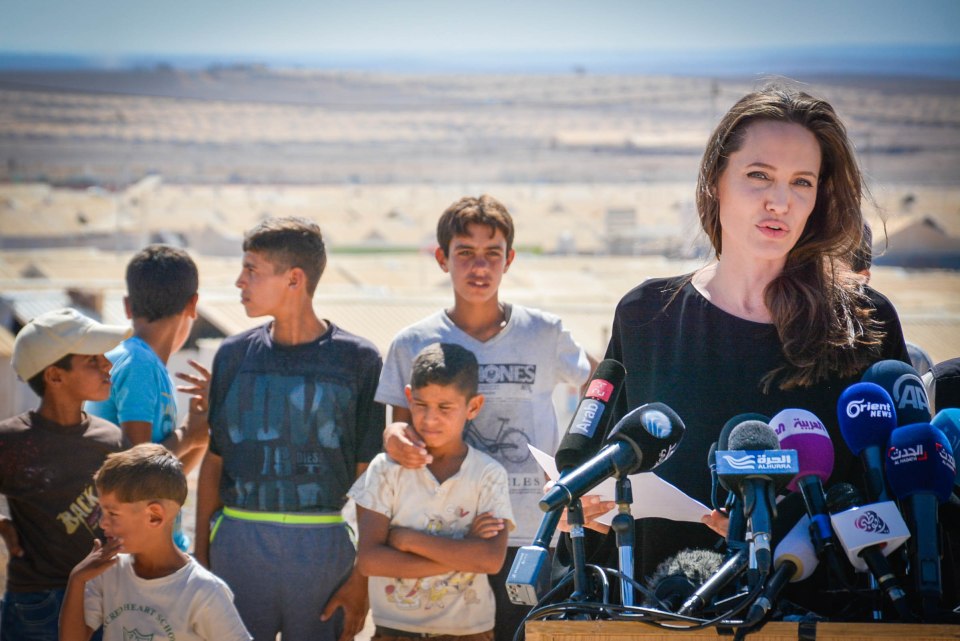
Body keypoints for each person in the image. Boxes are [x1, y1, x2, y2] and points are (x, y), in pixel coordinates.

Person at [577, 85, 910, 611]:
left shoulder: (864, 323)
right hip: (665, 611)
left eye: (802, 182)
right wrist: (591, 505)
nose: (780, 200)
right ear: (715, 183)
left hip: (824, 613)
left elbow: (897, 496)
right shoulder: (645, 316)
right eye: (759, 176)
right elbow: (605, 467)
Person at [376, 195, 592, 640]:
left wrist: (578, 465)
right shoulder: (411, 342)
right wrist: (396, 437)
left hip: (531, 532)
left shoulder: (543, 332)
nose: (480, 267)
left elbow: (603, 387)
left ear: (508, 260)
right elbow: (399, 426)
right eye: (465, 253)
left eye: (492, 253)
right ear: (442, 259)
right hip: (445, 535)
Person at [194, 217, 385, 641]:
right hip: (237, 546)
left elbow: (370, 477)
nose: (239, 281)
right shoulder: (232, 355)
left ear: (294, 278)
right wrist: (201, 562)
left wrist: (362, 580)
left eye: (252, 270)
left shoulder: (360, 361)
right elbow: (214, 462)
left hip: (323, 548)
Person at [350, 343, 513, 641]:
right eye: (421, 405)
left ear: (473, 407)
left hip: (469, 633)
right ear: (409, 398)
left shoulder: (488, 475)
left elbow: (490, 560)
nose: (429, 419)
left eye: (445, 408)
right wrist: (465, 550)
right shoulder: (385, 470)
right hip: (394, 631)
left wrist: (406, 540)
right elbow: (370, 561)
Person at [1, 308, 130, 641]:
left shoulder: (111, 439)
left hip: (103, 598)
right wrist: (1, 523)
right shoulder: (11, 442)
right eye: (92, 360)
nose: (108, 366)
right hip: (36, 604)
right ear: (55, 376)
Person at [86, 244, 210, 551]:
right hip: (133, 552)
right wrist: (187, 434)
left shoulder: (146, 364)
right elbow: (135, 472)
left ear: (128, 306)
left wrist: (201, 432)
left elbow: (163, 478)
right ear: (193, 304)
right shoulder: (139, 364)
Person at [59, 443, 251, 641]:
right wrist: (77, 579)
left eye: (112, 513)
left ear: (154, 516)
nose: (102, 522)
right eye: (102, 512)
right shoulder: (108, 571)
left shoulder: (203, 591)